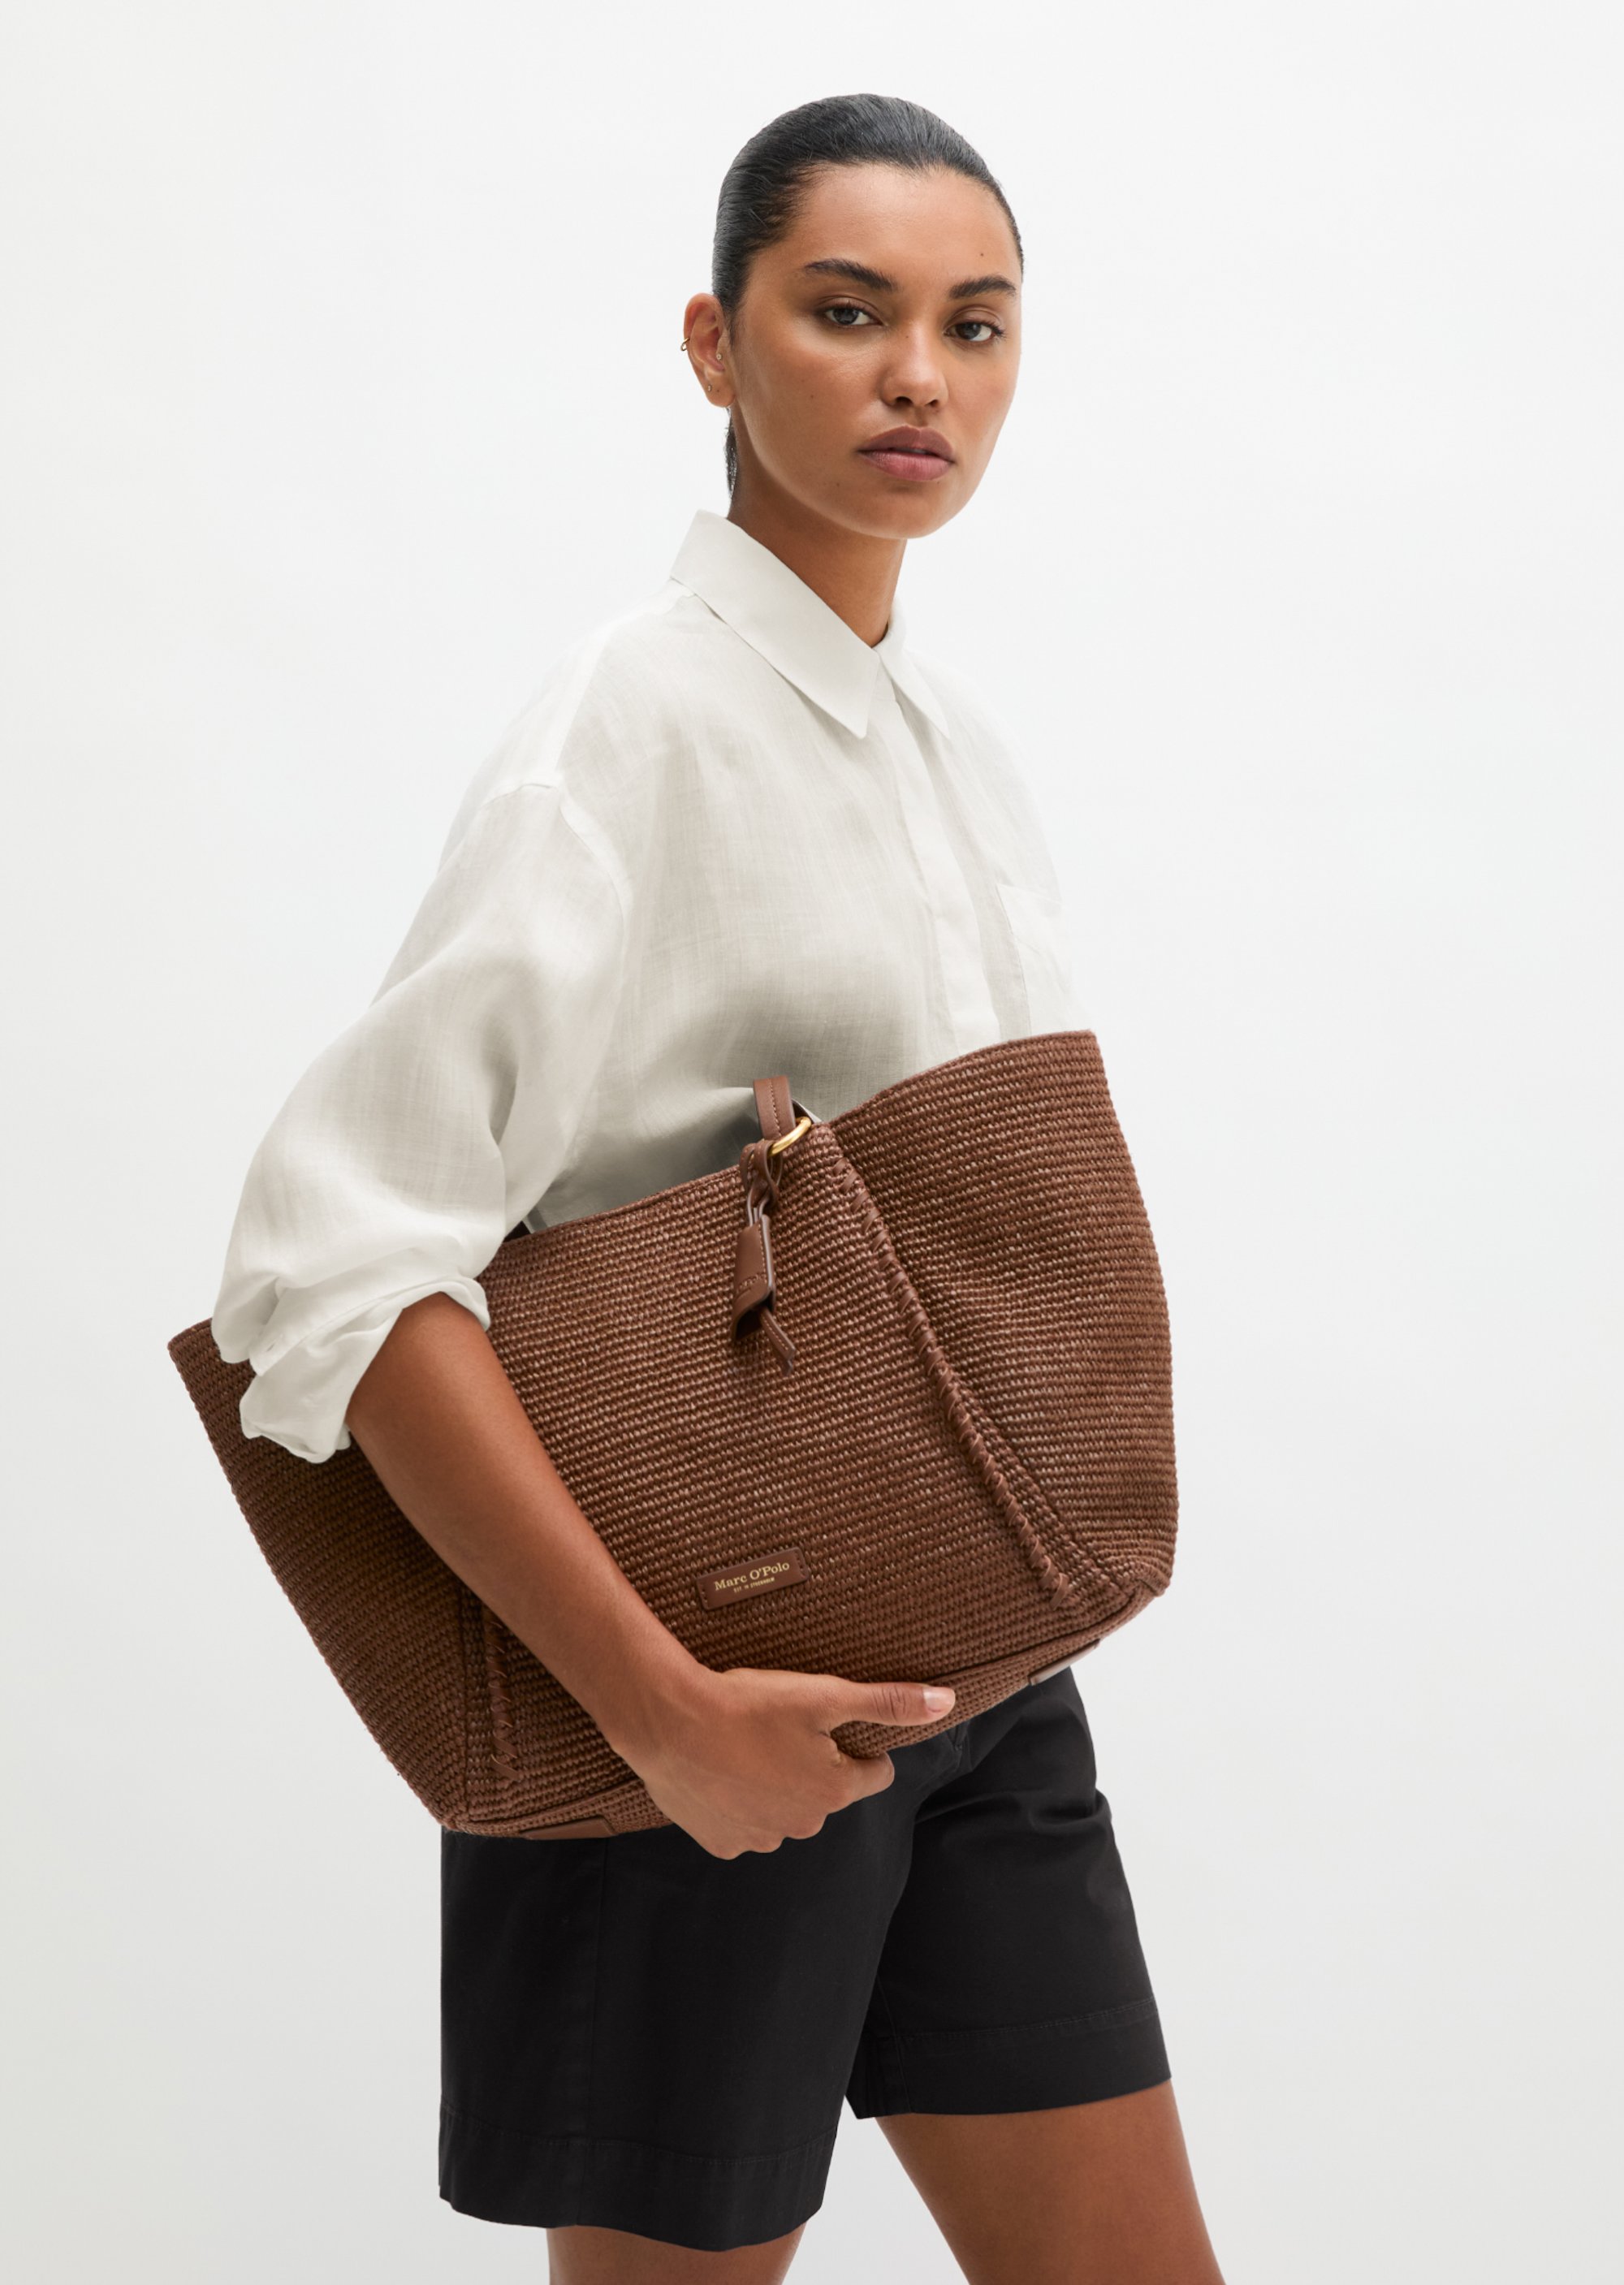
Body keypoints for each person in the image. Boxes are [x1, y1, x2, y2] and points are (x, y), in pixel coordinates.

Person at [211, 92, 1226, 2284]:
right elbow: (339, 1263)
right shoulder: (632, 724)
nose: (919, 377)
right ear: (713, 343)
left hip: (980, 1679)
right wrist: (658, 1713)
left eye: (975, 324)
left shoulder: (948, 742)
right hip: (691, 1711)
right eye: (846, 313)